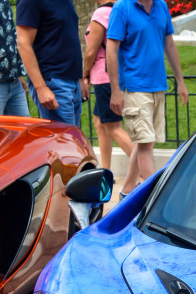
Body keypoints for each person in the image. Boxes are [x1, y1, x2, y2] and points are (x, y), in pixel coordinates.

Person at [107, 0, 188, 200]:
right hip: (134, 88)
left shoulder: (160, 6)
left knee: (146, 143)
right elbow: (111, 50)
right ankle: (155, 199)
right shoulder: (122, 8)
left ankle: (126, 192)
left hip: (158, 85)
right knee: (145, 144)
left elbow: (169, 44)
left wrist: (180, 81)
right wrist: (115, 90)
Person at [82, 1, 134, 171]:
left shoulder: (101, 13)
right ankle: (106, 171)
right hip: (117, 75)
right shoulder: (121, 10)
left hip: (104, 77)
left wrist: (84, 74)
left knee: (114, 128)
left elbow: (91, 52)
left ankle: (147, 174)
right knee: (99, 123)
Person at [16, 0, 85, 126]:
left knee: (73, 141)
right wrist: (41, 88)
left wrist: (79, 78)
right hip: (53, 83)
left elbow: (68, 38)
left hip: (71, 81)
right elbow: (23, 43)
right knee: (63, 142)